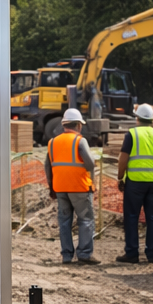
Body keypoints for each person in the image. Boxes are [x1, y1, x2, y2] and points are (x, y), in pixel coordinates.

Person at [117, 103, 153, 263]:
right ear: (152, 120)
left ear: (137, 118)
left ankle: (132, 253)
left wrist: (120, 177)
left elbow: (123, 158)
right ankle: (152, 254)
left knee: (132, 217)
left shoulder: (132, 134)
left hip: (135, 182)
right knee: (152, 217)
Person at [45, 108, 99, 265]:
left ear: (63, 125)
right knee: (86, 220)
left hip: (60, 188)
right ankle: (84, 254)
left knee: (64, 222)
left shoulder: (52, 142)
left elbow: (47, 167)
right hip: (80, 187)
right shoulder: (80, 141)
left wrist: (51, 187)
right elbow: (90, 163)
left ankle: (67, 256)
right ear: (79, 125)